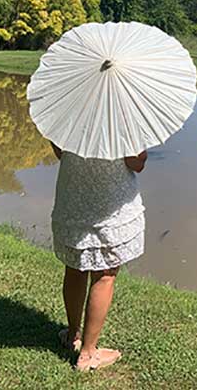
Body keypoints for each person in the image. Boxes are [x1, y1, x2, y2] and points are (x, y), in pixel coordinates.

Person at [50, 142, 148, 372]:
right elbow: (137, 163)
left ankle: (73, 334)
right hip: (109, 206)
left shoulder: (68, 110)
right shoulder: (123, 118)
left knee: (74, 268)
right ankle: (88, 354)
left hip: (74, 200)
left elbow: (59, 151)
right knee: (105, 275)